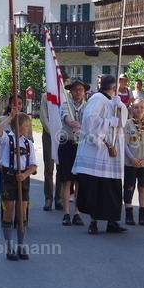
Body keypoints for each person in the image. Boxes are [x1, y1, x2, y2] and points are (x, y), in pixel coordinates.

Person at [73, 74, 128, 234]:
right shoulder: (98, 99)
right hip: (99, 151)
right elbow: (90, 122)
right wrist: (109, 122)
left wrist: (121, 107)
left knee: (113, 187)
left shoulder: (112, 100)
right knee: (97, 188)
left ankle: (112, 221)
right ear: (113, 87)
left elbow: (122, 121)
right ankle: (93, 222)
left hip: (112, 154)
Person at [0, 112, 37, 261]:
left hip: (23, 180)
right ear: (18, 127)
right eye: (26, 125)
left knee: (22, 214)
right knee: (8, 212)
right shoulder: (7, 139)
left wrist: (25, 175)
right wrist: (11, 117)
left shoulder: (28, 143)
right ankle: (9, 247)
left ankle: (21, 245)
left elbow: (33, 165)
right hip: (8, 178)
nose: (28, 128)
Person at [123, 98, 144, 226]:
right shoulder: (127, 124)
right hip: (130, 162)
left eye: (142, 107)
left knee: (142, 188)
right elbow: (125, 143)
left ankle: (142, 216)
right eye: (136, 107)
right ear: (133, 108)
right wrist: (131, 158)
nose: (139, 110)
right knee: (129, 187)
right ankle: (129, 214)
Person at [58, 78, 87, 226]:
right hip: (67, 145)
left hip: (81, 146)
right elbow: (66, 117)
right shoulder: (65, 105)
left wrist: (81, 127)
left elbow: (90, 122)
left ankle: (77, 213)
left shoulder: (88, 107)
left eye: (80, 89)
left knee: (79, 181)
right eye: (75, 89)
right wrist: (73, 124)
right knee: (66, 180)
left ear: (84, 91)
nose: (78, 92)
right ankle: (66, 214)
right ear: (70, 91)